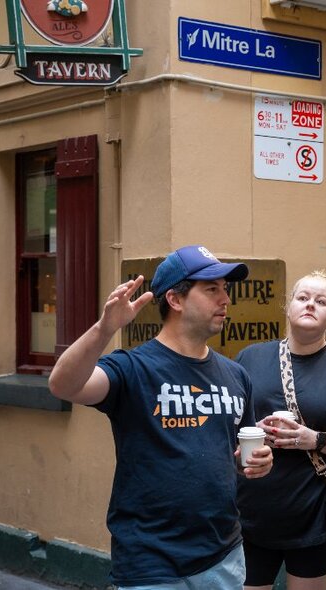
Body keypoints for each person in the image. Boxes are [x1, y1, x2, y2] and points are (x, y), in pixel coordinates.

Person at [48, 245, 274, 589]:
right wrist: (104, 328)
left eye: (226, 289)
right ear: (175, 299)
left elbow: (239, 456)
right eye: (212, 289)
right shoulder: (132, 368)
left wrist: (258, 462)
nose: (225, 299)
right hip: (151, 563)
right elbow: (64, 385)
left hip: (223, 557)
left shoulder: (235, 375)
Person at [235, 271, 326, 590]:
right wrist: (252, 435)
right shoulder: (250, 359)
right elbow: (229, 426)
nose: (310, 305)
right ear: (288, 307)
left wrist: (314, 439)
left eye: (321, 301)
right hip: (251, 513)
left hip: (316, 517)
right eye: (302, 298)